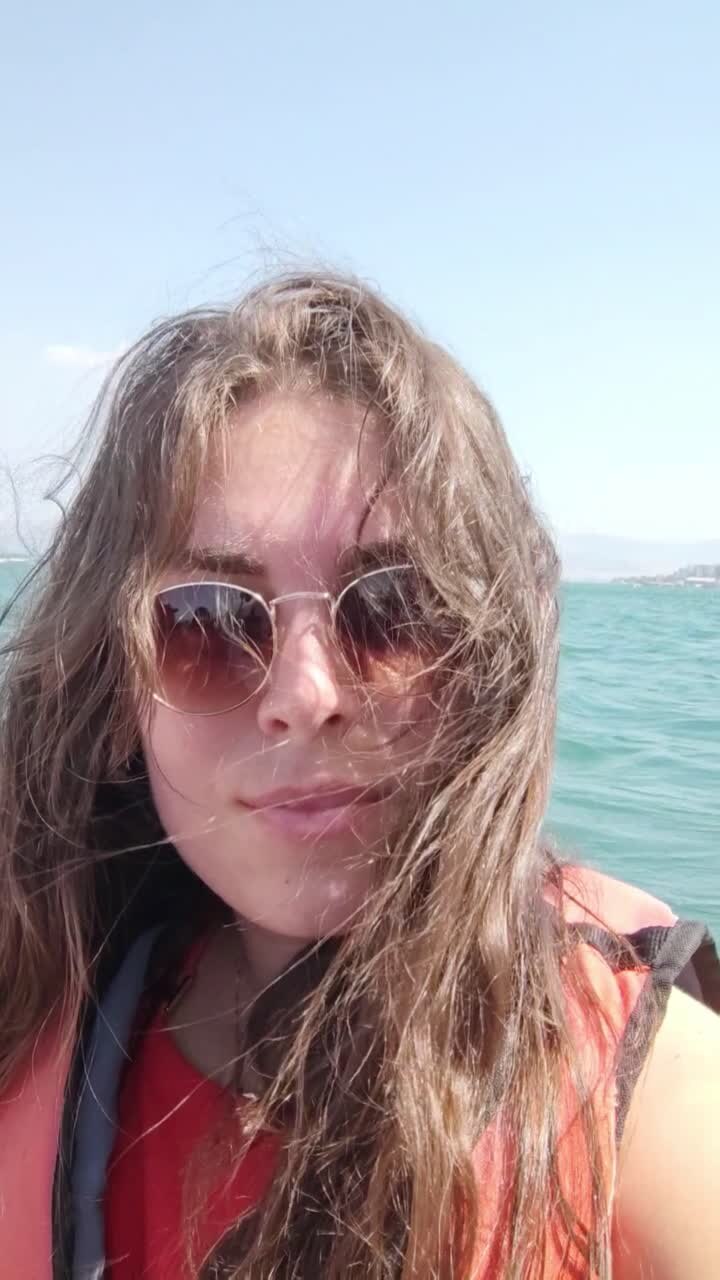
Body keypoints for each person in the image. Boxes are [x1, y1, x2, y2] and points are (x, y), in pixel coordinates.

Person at [0, 272, 718, 1280]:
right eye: (206, 621)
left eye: (393, 609)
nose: (307, 691)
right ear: (118, 699)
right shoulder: (40, 1011)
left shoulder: (647, 1100)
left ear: (485, 660)